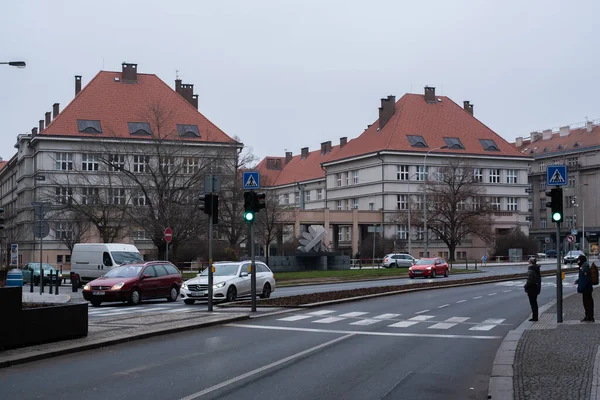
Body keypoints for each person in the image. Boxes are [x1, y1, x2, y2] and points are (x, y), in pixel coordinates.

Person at [575, 254, 595, 322]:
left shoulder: (584, 268)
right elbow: (583, 278)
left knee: (587, 303)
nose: (578, 261)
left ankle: (589, 316)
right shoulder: (583, 267)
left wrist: (581, 287)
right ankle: (588, 316)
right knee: (587, 302)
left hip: (586, 289)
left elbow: (586, 279)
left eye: (579, 260)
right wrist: (578, 281)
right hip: (586, 289)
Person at [524, 257, 541, 321]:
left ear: (530, 262)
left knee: (533, 303)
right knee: (534, 303)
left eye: (528, 261)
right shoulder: (536, 269)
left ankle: (535, 317)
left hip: (532, 289)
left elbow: (530, 280)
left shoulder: (531, 270)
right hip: (535, 288)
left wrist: (525, 286)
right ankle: (535, 316)